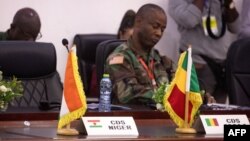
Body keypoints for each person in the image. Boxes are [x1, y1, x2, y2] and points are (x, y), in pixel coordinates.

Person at [168, 0, 240, 103]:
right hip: (199, 65)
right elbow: (190, 20)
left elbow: (236, 28)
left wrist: (229, 4)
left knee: (217, 113)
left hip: (222, 66)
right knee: (196, 110)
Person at [105, 4, 173, 105]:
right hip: (135, 118)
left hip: (163, 118)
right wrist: (170, 98)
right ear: (138, 22)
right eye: (155, 27)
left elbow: (182, 85)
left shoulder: (163, 60)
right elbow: (129, 93)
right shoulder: (118, 59)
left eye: (162, 29)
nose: (159, 33)